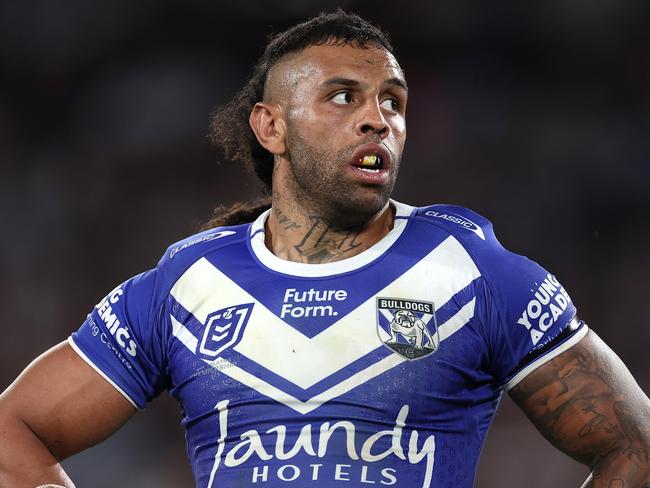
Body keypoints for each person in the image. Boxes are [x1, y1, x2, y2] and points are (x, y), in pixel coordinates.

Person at [1, 10, 649, 488]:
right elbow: (13, 433)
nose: (379, 118)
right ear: (270, 125)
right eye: (344, 96)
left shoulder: (474, 274)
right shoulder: (188, 285)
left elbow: (635, 447)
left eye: (392, 101)